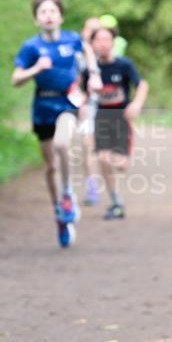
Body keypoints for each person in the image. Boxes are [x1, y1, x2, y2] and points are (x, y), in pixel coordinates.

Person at [12, 0, 99, 247]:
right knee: (50, 166)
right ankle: (60, 214)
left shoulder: (73, 39)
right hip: (42, 106)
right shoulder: (31, 47)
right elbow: (15, 79)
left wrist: (93, 74)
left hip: (67, 102)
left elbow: (88, 53)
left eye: (53, 11)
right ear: (36, 19)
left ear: (60, 16)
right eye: (43, 12)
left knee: (63, 144)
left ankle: (68, 194)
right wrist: (36, 69)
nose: (48, 16)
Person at [83, 25, 149, 219]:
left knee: (120, 164)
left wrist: (136, 104)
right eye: (98, 40)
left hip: (122, 119)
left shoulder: (124, 65)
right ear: (93, 44)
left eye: (106, 40)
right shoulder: (91, 71)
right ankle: (116, 201)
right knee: (103, 158)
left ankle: (116, 196)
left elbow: (142, 84)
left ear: (113, 43)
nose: (103, 44)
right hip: (102, 118)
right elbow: (82, 94)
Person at [80, 17, 103, 206]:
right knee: (88, 146)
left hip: (106, 108)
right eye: (90, 30)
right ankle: (92, 188)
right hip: (85, 106)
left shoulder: (107, 55)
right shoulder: (76, 54)